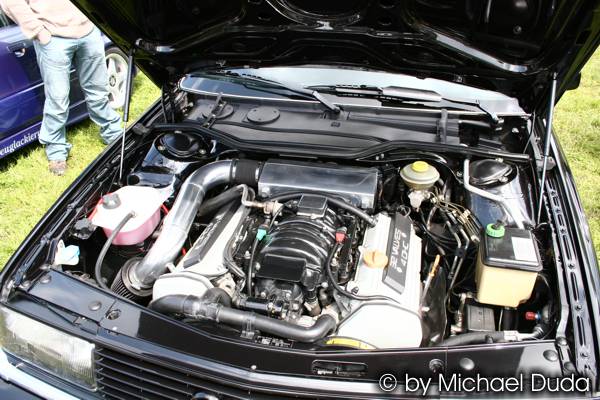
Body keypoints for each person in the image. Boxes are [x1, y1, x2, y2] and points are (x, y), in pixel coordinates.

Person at [0, 0, 122, 175]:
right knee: (57, 99)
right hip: (53, 38)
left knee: (98, 89)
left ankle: (113, 132)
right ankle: (56, 150)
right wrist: (38, 32)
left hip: (88, 30)